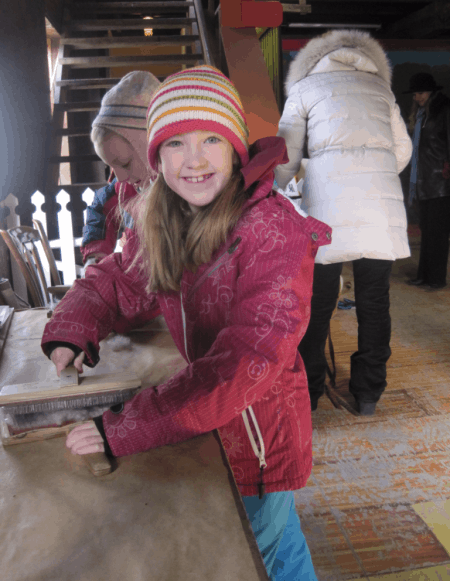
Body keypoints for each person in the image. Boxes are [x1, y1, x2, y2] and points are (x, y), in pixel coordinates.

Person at [41, 65, 332, 580]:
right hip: (211, 423)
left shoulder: (272, 230)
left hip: (256, 438)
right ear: (155, 153)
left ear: (236, 147)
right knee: (279, 546)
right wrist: (73, 322)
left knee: (246, 549)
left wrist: (127, 426)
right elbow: (122, 278)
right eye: (174, 143)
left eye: (210, 140)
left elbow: (245, 363)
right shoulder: (167, 213)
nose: (193, 160)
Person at [274, 30, 412, 416]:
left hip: (325, 213)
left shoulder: (304, 90)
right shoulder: (381, 91)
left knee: (316, 305)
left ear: (314, 60)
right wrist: (376, 171)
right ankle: (368, 393)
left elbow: (285, 155)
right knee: (374, 302)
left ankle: (310, 392)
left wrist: (280, 189)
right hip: (378, 213)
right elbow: (402, 150)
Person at [81, 71, 161, 268]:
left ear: (151, 146)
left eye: (124, 163)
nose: (120, 176)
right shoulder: (128, 186)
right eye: (111, 166)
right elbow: (100, 208)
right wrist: (96, 254)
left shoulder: (183, 190)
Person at [404, 72, 450, 290]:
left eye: (420, 93)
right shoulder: (422, 114)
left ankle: (437, 279)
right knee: (427, 231)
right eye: (415, 94)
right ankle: (424, 275)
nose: (416, 98)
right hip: (423, 182)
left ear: (431, 93)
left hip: (440, 183)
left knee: (438, 234)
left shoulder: (444, 110)